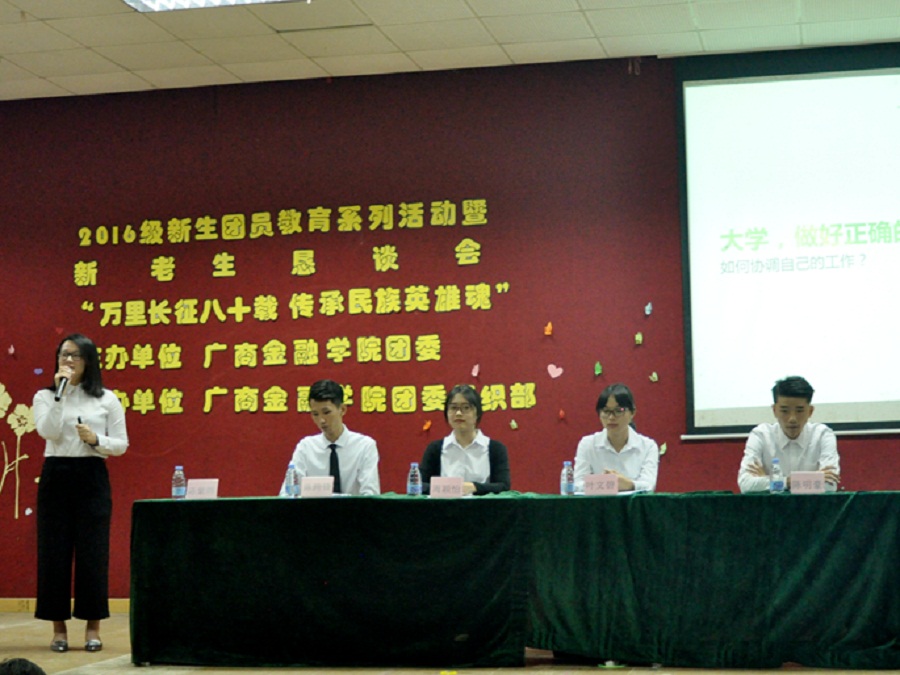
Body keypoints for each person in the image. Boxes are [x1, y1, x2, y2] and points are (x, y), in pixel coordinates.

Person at [32, 334, 128, 654]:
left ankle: (92, 628)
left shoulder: (106, 399)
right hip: (56, 475)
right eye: (63, 354)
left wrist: (95, 439)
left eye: (75, 355)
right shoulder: (45, 396)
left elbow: (121, 444)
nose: (68, 360)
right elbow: (47, 431)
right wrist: (59, 398)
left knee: (93, 554)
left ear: (88, 360)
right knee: (54, 554)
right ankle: (58, 630)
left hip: (92, 476)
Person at [737, 375, 840, 493]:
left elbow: (830, 485)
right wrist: (789, 482)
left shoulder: (823, 435)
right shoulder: (760, 435)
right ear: (775, 410)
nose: (792, 419)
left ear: (810, 411)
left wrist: (770, 481)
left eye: (799, 410)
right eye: (785, 411)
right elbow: (745, 485)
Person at [280, 379, 380, 495]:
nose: (321, 420)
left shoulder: (364, 446)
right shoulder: (305, 448)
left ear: (342, 409)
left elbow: (370, 494)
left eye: (326, 412)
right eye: (315, 414)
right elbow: (287, 494)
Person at [420, 384, 511, 495]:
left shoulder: (495, 449)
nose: (458, 413)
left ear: (477, 413)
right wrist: (451, 488)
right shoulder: (435, 449)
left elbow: (503, 486)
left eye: (466, 408)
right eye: (453, 408)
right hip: (445, 506)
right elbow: (419, 485)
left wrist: (474, 487)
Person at [573, 383, 659, 492]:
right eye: (606, 411)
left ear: (632, 412)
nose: (611, 417)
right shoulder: (587, 444)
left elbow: (649, 485)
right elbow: (577, 486)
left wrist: (628, 484)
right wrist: (607, 483)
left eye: (618, 411)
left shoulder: (648, 446)